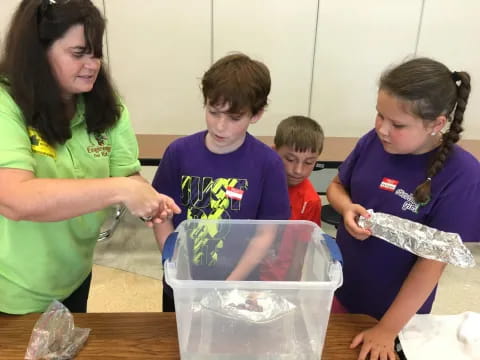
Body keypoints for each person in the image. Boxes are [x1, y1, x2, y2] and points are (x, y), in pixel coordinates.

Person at [0, 0, 180, 315]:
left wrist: (147, 198)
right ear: (38, 54)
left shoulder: (108, 108)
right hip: (12, 289)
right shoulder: (7, 105)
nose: (92, 64)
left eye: (96, 52)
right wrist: (122, 190)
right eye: (78, 53)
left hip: (75, 276)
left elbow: (125, 174)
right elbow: (15, 199)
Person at [326, 57, 480, 360]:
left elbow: (432, 264)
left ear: (437, 124)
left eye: (397, 124)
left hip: (397, 316)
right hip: (342, 288)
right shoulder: (373, 142)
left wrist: (387, 329)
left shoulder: (462, 176)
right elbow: (336, 186)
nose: (382, 129)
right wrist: (346, 208)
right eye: (379, 115)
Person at [152, 53, 291, 312]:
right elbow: (162, 216)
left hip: (238, 286)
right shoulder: (179, 153)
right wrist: (175, 266)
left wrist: (229, 285)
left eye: (234, 118)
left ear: (257, 114)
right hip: (181, 284)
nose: (220, 126)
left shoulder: (268, 163)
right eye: (213, 112)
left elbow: (266, 233)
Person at [259, 115, 324, 281]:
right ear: (274, 151)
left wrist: (292, 287)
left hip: (279, 281)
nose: (298, 170)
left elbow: (300, 254)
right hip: (246, 274)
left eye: (309, 162)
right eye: (290, 159)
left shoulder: (311, 201)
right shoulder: (258, 183)